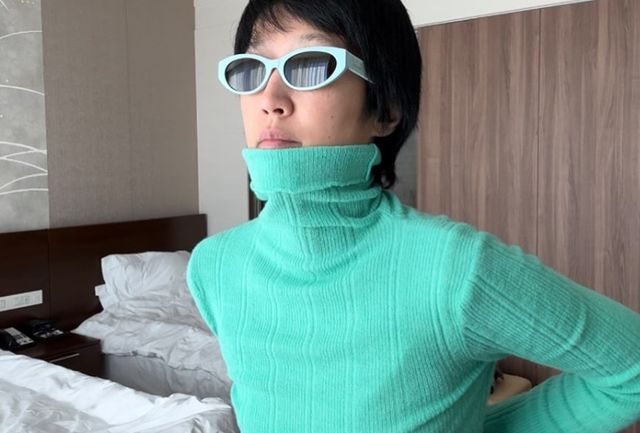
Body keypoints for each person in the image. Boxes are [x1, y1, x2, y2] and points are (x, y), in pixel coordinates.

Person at [187, 0, 640, 432]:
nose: (270, 99)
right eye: (251, 70)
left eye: (311, 66)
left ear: (385, 111)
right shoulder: (213, 267)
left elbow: (632, 369)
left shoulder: (455, 269)